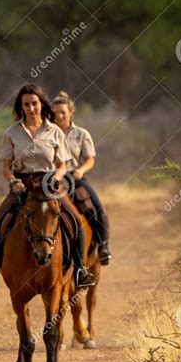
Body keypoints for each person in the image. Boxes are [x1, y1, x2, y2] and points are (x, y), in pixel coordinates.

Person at [0, 84, 95, 297]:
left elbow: (62, 165)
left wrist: (56, 178)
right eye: (26, 105)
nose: (31, 108)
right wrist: (13, 181)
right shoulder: (11, 133)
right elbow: (5, 167)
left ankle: (80, 270)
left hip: (50, 184)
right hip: (22, 185)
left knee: (75, 221)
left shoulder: (54, 131)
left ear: (41, 104)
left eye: (34, 104)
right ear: (21, 107)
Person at [52, 91, 112, 265]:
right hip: (54, 179)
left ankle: (103, 245)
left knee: (96, 207)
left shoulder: (81, 134)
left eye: (63, 112)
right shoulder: (48, 133)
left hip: (75, 177)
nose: (59, 116)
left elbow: (90, 159)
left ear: (70, 112)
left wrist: (81, 170)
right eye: (55, 113)